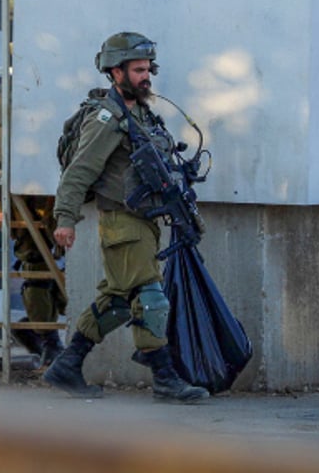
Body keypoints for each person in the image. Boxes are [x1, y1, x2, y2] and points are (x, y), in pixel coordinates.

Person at [43, 32, 208, 402]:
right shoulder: (107, 118)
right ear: (115, 72)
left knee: (117, 300)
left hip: (145, 220)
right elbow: (79, 171)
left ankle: (68, 365)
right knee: (150, 297)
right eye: (137, 70)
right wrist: (65, 218)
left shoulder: (142, 112)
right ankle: (165, 378)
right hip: (123, 221)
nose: (146, 76)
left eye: (148, 68)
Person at [0, 93, 67, 368]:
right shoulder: (8, 97)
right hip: (29, 188)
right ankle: (47, 337)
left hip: (59, 183)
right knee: (37, 263)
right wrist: (2, 199)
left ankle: (39, 328)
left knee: (56, 265)